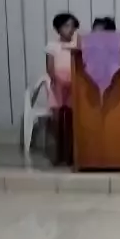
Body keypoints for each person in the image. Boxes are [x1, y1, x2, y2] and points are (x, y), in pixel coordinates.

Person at [45, 12, 80, 164]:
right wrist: (56, 79)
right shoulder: (52, 46)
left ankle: (71, 153)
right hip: (57, 84)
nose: (70, 29)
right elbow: (50, 67)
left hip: (74, 84)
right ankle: (58, 152)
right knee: (58, 118)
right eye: (66, 26)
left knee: (73, 119)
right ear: (58, 28)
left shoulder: (77, 45)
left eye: (72, 26)